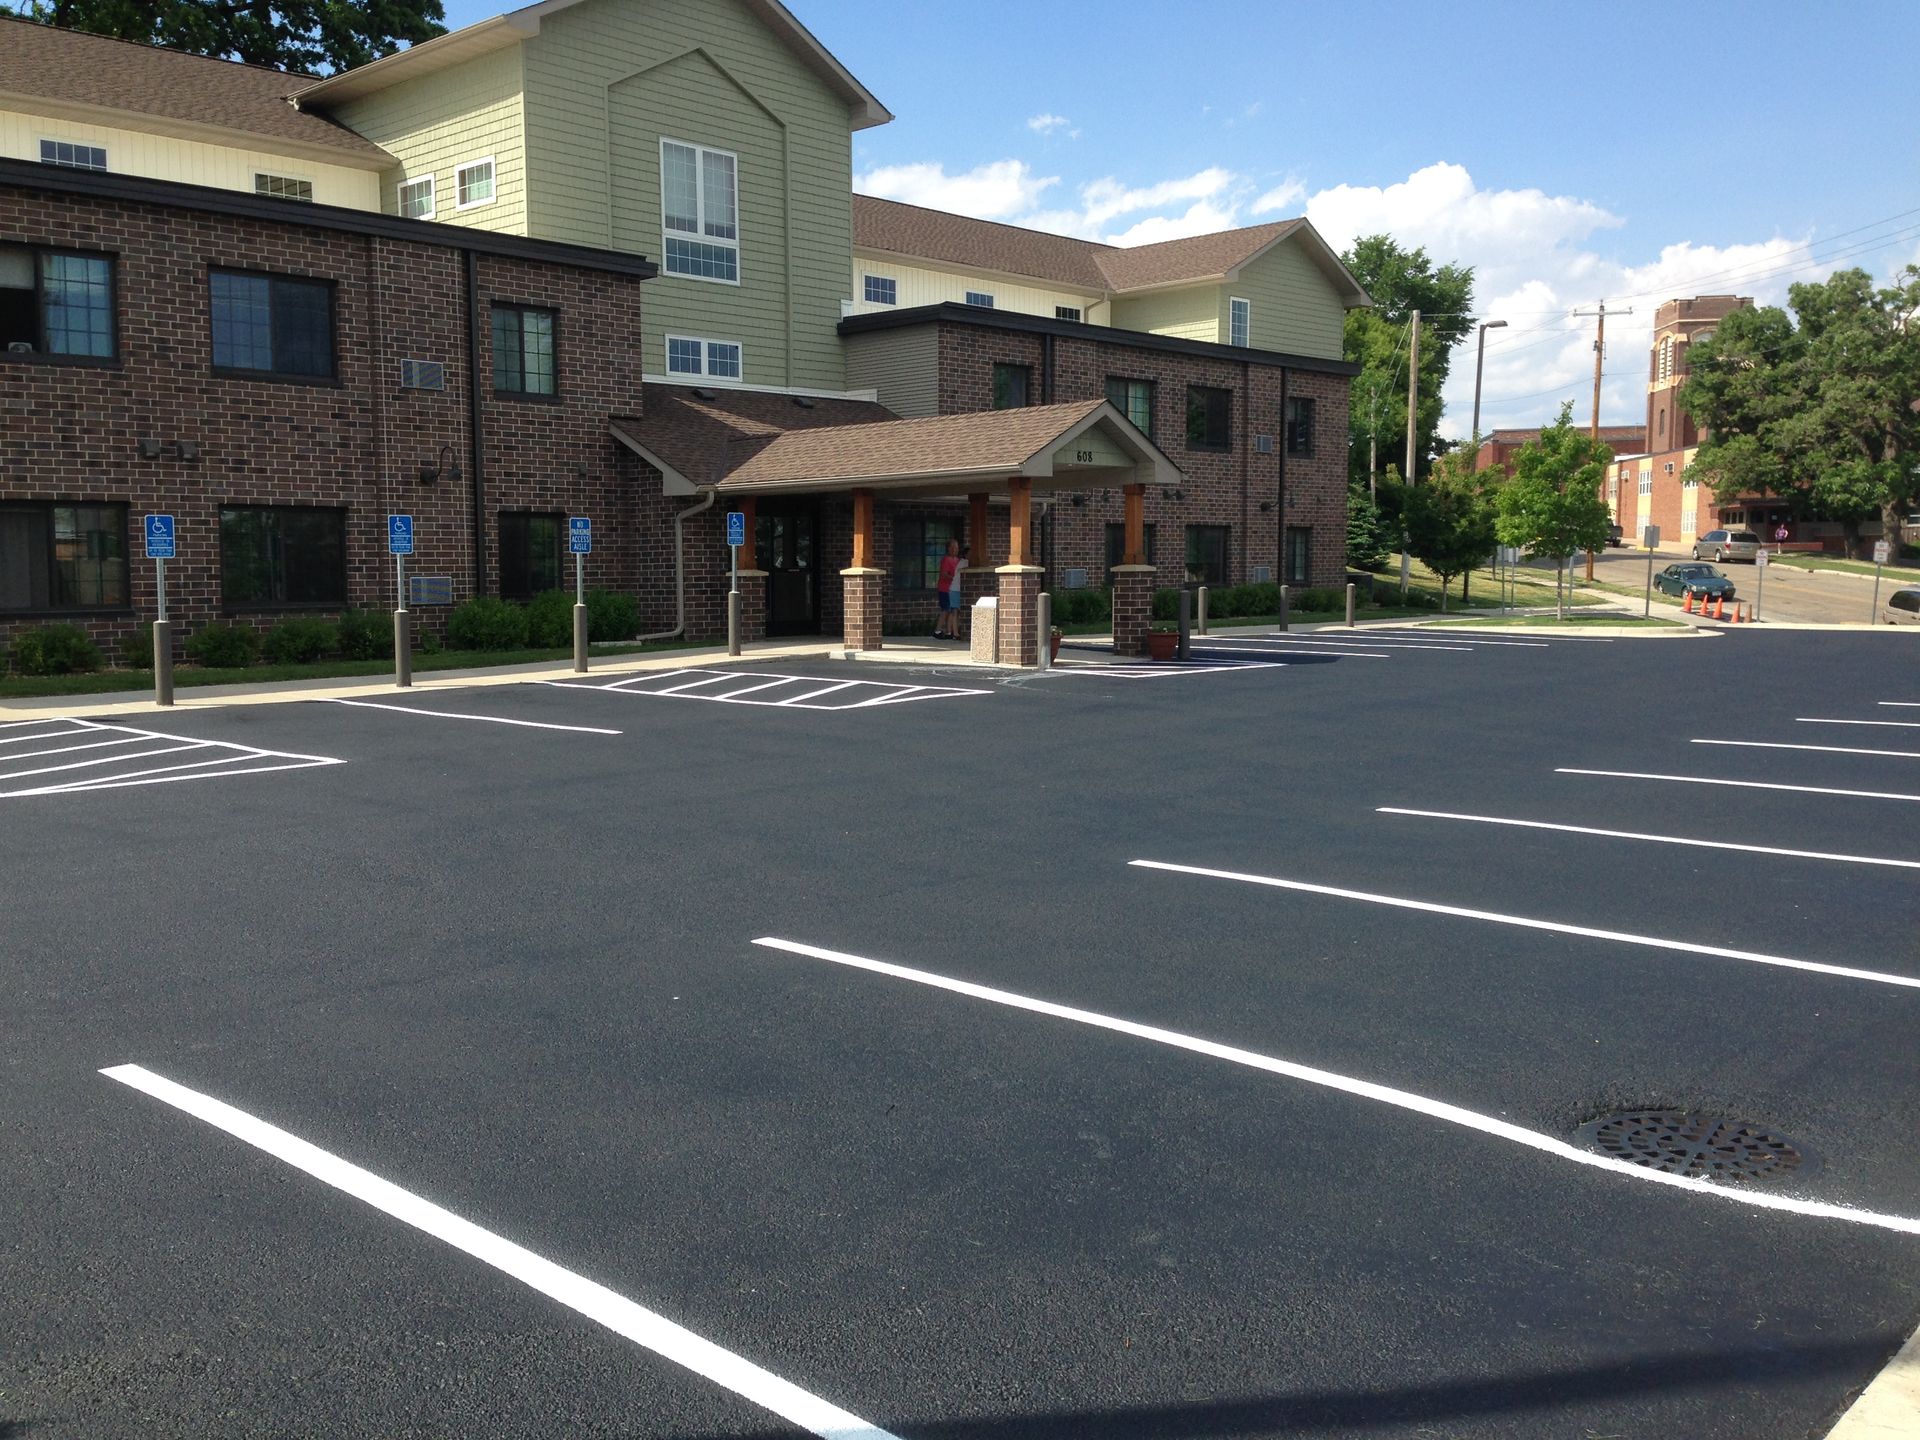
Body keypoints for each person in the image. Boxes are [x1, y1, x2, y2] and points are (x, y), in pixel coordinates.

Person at [935, 538, 963, 638]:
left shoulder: (959, 560)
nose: (955, 549)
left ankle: (949, 631)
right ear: (948, 548)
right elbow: (944, 574)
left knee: (953, 611)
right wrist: (954, 578)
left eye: (957, 547)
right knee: (945, 609)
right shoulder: (946, 560)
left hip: (954, 589)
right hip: (945, 588)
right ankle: (937, 631)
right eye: (953, 547)